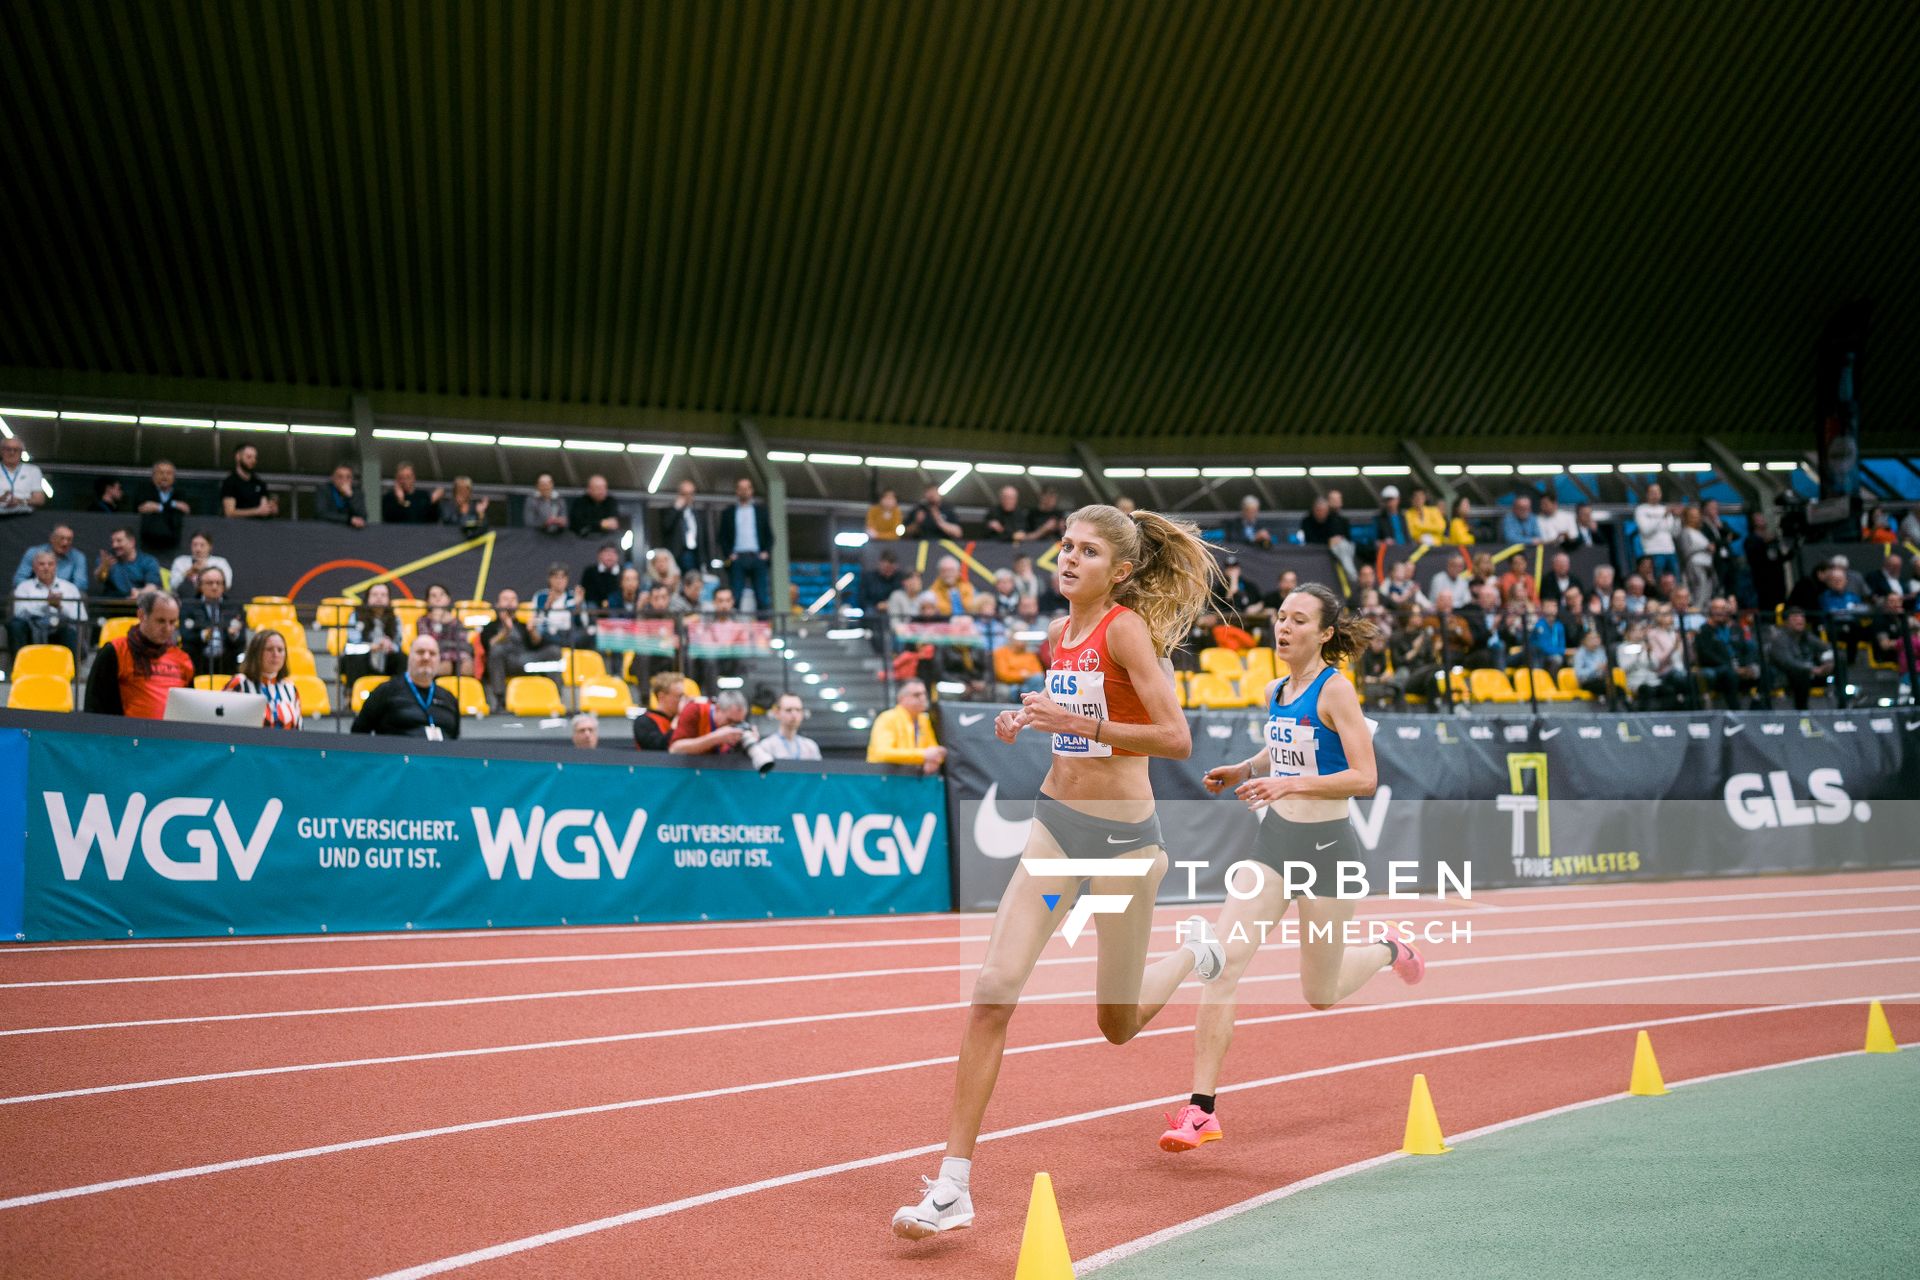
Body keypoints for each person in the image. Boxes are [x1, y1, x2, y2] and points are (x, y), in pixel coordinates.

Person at [892, 503, 1224, 1240]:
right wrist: (1031, 719)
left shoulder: (1127, 630)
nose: (1068, 560)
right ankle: (953, 1185)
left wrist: (1079, 724)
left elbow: (1175, 738)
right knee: (990, 993)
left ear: (1123, 570)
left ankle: (1194, 955)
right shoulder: (1056, 635)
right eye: (1064, 547)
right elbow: (1070, 727)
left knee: (1118, 1026)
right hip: (1055, 830)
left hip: (1128, 848)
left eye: (1087, 552)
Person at [1157, 583, 1419, 1155]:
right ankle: (1201, 1110)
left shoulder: (1337, 691)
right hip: (1274, 845)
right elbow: (1283, 749)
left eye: (1299, 620)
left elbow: (1364, 777)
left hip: (1328, 852)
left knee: (1319, 993)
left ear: (1325, 634)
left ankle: (1387, 948)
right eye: (1280, 617)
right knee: (1221, 964)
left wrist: (1288, 781)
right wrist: (1244, 766)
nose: (1284, 627)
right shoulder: (1278, 688)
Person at [83, 589, 194, 717]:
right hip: (125, 734)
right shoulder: (115, 651)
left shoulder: (182, 658)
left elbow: (189, 709)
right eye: (160, 621)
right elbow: (94, 705)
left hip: (172, 735)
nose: (167, 629)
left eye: (172, 622)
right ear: (141, 615)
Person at [350, 634, 461, 738]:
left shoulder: (449, 698)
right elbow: (358, 734)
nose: (426, 657)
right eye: (420, 652)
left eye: (432, 653)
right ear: (409, 657)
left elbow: (455, 739)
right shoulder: (385, 691)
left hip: (440, 757)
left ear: (439, 660)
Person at [480, 588, 557, 706]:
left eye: (513, 599)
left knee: (554, 651)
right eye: (505, 599)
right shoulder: (490, 626)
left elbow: (536, 645)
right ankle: (500, 700)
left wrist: (532, 631)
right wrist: (506, 631)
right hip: (506, 663)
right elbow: (489, 646)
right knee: (497, 650)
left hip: (526, 661)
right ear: (497, 604)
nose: (510, 602)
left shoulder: (523, 625)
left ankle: (556, 697)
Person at [176, 566, 248, 679]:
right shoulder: (189, 606)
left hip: (226, 662)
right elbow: (186, 636)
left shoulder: (235, 607)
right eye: (210, 583)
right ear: (200, 586)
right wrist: (204, 635)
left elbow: (242, 641)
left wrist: (233, 635)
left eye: (219, 583)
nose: (215, 587)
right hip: (199, 660)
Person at [9, 548, 84, 655]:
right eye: (41, 564)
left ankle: (72, 671)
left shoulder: (70, 588)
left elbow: (82, 617)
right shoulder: (23, 587)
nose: (46, 567)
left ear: (56, 566)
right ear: (34, 567)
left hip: (60, 632)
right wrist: (46, 603)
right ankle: (18, 667)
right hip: (31, 631)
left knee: (69, 631)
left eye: (50, 564)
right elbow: (19, 613)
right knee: (16, 625)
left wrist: (60, 607)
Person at [224, 629, 302, 730]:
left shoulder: (290, 688)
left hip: (285, 744)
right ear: (256, 653)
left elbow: (299, 730)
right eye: (269, 649)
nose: (276, 654)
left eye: (280, 650)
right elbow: (224, 725)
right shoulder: (239, 683)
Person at [866, 679, 948, 776]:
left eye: (924, 694)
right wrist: (923, 756)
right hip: (885, 779)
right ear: (902, 698)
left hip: (911, 779)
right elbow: (881, 753)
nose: (923, 698)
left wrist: (935, 759)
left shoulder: (923, 719)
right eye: (916, 695)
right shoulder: (888, 718)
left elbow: (933, 750)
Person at [1695, 597, 1764, 710]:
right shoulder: (1704, 630)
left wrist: (1747, 666)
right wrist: (1733, 668)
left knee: (1766, 671)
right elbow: (1706, 655)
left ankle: (1759, 710)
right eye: (1716, 608)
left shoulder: (1735, 628)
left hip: (1739, 667)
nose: (1719, 611)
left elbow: (1745, 649)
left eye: (1723, 608)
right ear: (1710, 611)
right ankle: (1736, 713)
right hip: (1718, 669)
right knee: (1729, 674)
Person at [718, 476, 773, 610]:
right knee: (735, 596)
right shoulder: (728, 513)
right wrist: (729, 554)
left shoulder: (761, 512)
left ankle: (763, 628)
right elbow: (722, 537)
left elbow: (769, 536)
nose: (744, 491)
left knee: (762, 597)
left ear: (751, 490)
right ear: (737, 491)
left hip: (757, 557)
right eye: (741, 488)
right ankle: (735, 626)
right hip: (737, 558)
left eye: (747, 488)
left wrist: (765, 553)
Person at [1766, 607, 1833, 710]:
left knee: (1839, 659)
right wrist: (1812, 669)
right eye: (1795, 617)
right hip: (1785, 676)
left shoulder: (1807, 636)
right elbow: (1788, 662)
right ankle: (1802, 710)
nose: (1800, 620)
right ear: (1786, 622)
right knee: (1801, 673)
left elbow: (1827, 648)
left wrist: (1827, 662)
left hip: (1811, 672)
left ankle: (1843, 702)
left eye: (1802, 617)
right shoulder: (1779, 638)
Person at [339, 582, 404, 685]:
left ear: (388, 599)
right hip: (363, 657)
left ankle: (400, 694)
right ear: (367, 598)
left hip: (385, 657)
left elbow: (398, 644)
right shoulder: (356, 615)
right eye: (375, 594)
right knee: (355, 658)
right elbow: (353, 642)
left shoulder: (394, 619)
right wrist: (372, 647)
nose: (379, 598)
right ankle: (352, 694)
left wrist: (389, 645)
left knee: (402, 658)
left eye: (383, 595)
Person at [416, 583, 476, 678]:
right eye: (433, 596)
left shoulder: (456, 622)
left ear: (448, 599)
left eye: (442, 595)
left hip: (457, 657)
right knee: (445, 665)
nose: (438, 598)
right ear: (428, 601)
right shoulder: (423, 621)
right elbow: (429, 645)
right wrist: (437, 622)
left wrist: (447, 647)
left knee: (467, 666)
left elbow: (463, 645)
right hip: (435, 658)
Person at [669, 688, 753, 755]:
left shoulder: (736, 727)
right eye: (729, 721)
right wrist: (716, 738)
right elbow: (675, 749)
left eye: (738, 723)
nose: (732, 727)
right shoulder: (696, 710)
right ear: (717, 708)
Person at [132, 458, 191, 550]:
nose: (165, 476)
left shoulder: (181, 493)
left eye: (168, 473)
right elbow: (141, 508)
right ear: (153, 475)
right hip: (147, 542)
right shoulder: (144, 490)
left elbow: (186, 509)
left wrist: (158, 507)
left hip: (175, 542)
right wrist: (174, 505)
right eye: (161, 473)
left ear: (174, 477)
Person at [94, 527, 163, 601]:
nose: (114, 545)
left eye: (119, 541)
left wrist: (140, 593)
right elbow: (100, 579)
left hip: (139, 605)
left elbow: (152, 586)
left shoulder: (149, 561)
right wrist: (103, 567)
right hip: (112, 606)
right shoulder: (107, 559)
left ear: (132, 542)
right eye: (112, 542)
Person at [532, 563, 590, 650]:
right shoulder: (541, 596)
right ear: (549, 579)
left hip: (570, 633)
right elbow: (536, 622)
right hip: (551, 633)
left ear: (567, 579)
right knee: (546, 636)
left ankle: (565, 646)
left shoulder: (574, 596)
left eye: (563, 577)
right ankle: (566, 646)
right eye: (556, 577)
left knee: (587, 635)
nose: (559, 581)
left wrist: (578, 605)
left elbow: (584, 623)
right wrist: (547, 607)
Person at [11, 523, 86, 590]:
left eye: (69, 539)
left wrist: (63, 592)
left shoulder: (78, 557)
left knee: (82, 595)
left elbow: (81, 584)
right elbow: (19, 579)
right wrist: (36, 591)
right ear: (52, 539)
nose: (65, 543)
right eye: (61, 538)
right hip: (34, 593)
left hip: (64, 595)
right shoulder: (33, 553)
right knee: (15, 593)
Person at [658, 479, 708, 575]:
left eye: (691, 494)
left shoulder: (698, 514)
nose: (688, 497)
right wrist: (676, 508)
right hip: (678, 554)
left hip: (696, 554)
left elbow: (704, 539)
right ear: (679, 494)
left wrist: (705, 560)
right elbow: (665, 526)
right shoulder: (671, 511)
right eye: (685, 494)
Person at [169, 529, 235, 599]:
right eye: (194, 545)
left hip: (212, 600)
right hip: (185, 600)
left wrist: (205, 571)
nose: (198, 549)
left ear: (210, 546)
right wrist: (188, 573)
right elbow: (173, 586)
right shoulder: (180, 561)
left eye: (202, 545)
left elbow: (227, 585)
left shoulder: (220, 562)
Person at [1634, 483, 1679, 581]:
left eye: (1658, 492)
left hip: (1670, 550)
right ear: (1647, 494)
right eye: (1652, 492)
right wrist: (1663, 515)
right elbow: (1646, 530)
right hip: (1653, 551)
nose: (1655, 495)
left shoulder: (1664, 509)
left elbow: (1674, 533)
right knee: (1657, 580)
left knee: (1676, 580)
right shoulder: (1641, 509)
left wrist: (1676, 517)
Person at [632, 670, 687, 750]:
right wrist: (678, 720)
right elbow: (657, 747)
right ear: (662, 697)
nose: (682, 700)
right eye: (679, 696)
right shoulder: (644, 721)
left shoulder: (685, 719)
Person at [220, 443, 278, 519]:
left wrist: (271, 509)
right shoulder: (230, 482)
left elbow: (264, 506)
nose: (253, 460)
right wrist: (257, 511)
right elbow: (229, 512)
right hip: (236, 528)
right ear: (238, 457)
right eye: (249, 457)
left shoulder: (259, 483)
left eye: (255, 457)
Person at [759, 692, 822, 762]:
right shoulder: (767, 746)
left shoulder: (810, 747)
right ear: (777, 713)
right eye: (788, 710)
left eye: (798, 710)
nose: (794, 715)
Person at [0, 435, 47, 517]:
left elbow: (40, 500)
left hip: (24, 518)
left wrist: (21, 501)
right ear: (1, 451)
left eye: (16, 450)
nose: (12, 453)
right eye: (8, 449)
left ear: (21, 452)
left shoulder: (33, 471)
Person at [315, 462, 368, 528]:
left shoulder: (357, 493)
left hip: (350, 533)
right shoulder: (324, 490)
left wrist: (350, 496)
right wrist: (349, 519)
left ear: (352, 480)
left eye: (348, 477)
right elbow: (321, 513)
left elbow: (362, 516)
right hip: (327, 530)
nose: (344, 480)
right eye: (340, 477)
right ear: (333, 478)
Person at [580, 544, 626, 611]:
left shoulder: (624, 572)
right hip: (595, 604)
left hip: (618, 604)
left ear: (618, 556)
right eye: (607, 553)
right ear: (599, 555)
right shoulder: (590, 571)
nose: (610, 556)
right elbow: (586, 593)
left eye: (613, 553)